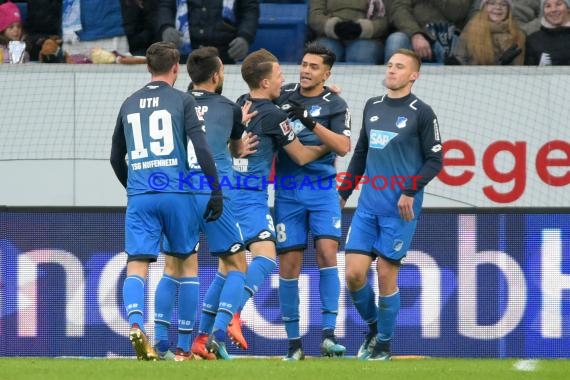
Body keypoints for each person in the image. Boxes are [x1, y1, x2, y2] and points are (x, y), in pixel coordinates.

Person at [109, 41, 223, 361]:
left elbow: (116, 157)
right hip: (176, 192)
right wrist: (215, 189)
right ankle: (184, 348)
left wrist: (133, 187)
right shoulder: (182, 100)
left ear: (148, 67)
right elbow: (201, 148)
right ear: (176, 68)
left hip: (141, 194)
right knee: (186, 265)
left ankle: (136, 325)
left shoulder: (129, 103)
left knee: (137, 264)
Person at [229, 49, 336, 358]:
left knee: (229, 268)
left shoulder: (239, 103)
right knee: (265, 258)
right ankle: (231, 315)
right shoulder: (275, 116)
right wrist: (327, 147)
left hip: (227, 194)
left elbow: (231, 143)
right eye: (278, 75)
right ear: (265, 81)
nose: (284, 79)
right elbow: (301, 155)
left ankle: (206, 338)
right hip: (252, 199)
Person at [338, 48, 443, 361]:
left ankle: (383, 343)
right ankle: (373, 328)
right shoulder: (372, 105)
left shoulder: (422, 112)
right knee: (354, 274)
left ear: (414, 75)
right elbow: (360, 154)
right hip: (368, 206)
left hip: (400, 209)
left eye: (400, 67)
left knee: (386, 275)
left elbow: (435, 159)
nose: (392, 70)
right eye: (390, 65)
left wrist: (410, 189)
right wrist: (344, 192)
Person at [153, 46, 254, 361]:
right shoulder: (229, 108)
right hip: (213, 193)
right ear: (216, 75)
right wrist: (239, 126)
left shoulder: (173, 105)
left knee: (175, 267)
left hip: (178, 192)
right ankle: (217, 333)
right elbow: (237, 149)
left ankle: (166, 345)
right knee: (237, 265)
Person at [273, 43, 351, 360]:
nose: (306, 70)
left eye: (314, 67)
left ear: (326, 73)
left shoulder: (336, 103)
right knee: (289, 264)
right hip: (287, 191)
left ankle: (329, 335)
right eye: (304, 64)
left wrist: (310, 121)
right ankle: (293, 345)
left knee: (327, 251)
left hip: (321, 189)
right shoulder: (283, 96)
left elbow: (344, 146)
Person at [157, 0, 259, 64]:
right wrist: (166, 27)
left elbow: (249, 10)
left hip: (226, 57)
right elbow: (165, 5)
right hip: (185, 58)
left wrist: (245, 37)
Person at [385, 0, 472, 64]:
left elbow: (458, 12)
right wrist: (415, 34)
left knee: (453, 51)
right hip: (411, 32)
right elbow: (398, 9)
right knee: (396, 40)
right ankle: (394, 86)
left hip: (446, 34)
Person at [308, 0, 388, 64]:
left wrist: (362, 28)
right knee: (325, 55)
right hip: (328, 36)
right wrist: (334, 27)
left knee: (361, 54)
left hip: (367, 38)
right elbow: (315, 16)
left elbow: (383, 19)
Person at [450, 0, 526, 65]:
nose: (498, 7)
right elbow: (460, 59)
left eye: (503, 4)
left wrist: (505, 65)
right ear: (484, 7)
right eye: (492, 3)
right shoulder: (471, 27)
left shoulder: (518, 35)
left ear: (509, 10)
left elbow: (517, 71)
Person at [525, 0, 570, 65]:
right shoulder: (534, 40)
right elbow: (527, 72)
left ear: (568, 8)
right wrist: (539, 70)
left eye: (558, 4)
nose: (553, 9)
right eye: (548, 6)